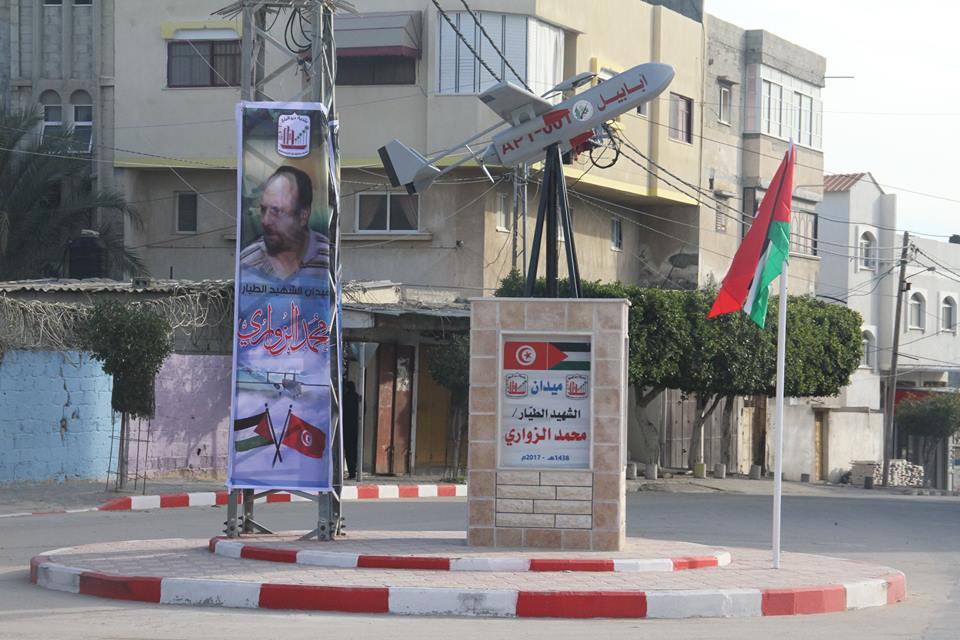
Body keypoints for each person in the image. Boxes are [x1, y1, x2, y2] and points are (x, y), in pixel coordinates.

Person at [240, 165, 329, 279]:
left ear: (303, 215)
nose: (265, 221)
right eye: (263, 209)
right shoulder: (247, 262)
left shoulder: (327, 257)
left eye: (276, 211)